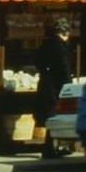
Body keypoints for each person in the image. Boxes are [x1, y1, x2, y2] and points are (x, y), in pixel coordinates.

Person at [35, 17, 74, 158]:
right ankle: (51, 148)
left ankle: (50, 147)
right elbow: (65, 67)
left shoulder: (46, 44)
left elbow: (37, 62)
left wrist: (45, 72)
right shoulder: (61, 47)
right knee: (56, 116)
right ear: (65, 32)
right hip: (57, 86)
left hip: (46, 83)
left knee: (50, 116)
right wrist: (69, 84)